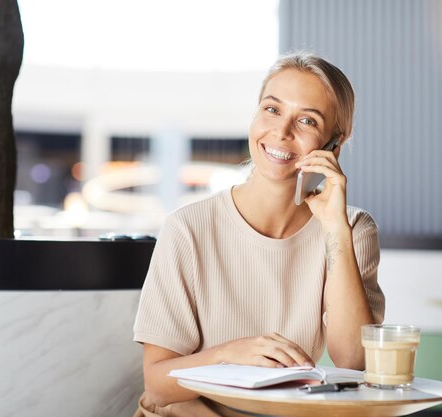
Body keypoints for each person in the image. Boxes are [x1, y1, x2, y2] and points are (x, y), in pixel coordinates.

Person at [132, 51, 385, 417]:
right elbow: (156, 383)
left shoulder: (352, 229)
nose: (281, 132)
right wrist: (229, 355)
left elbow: (352, 359)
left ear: (334, 143)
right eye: (272, 109)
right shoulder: (188, 228)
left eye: (307, 120)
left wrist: (335, 231)